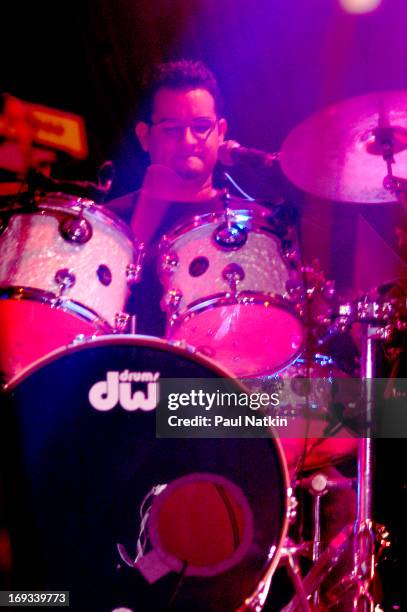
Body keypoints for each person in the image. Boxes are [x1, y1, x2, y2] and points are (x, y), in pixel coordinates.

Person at [108, 59, 284, 336]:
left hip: (226, 377)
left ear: (221, 132)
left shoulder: (256, 225)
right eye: (171, 129)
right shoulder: (112, 223)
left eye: (201, 126)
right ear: (144, 137)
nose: (188, 141)